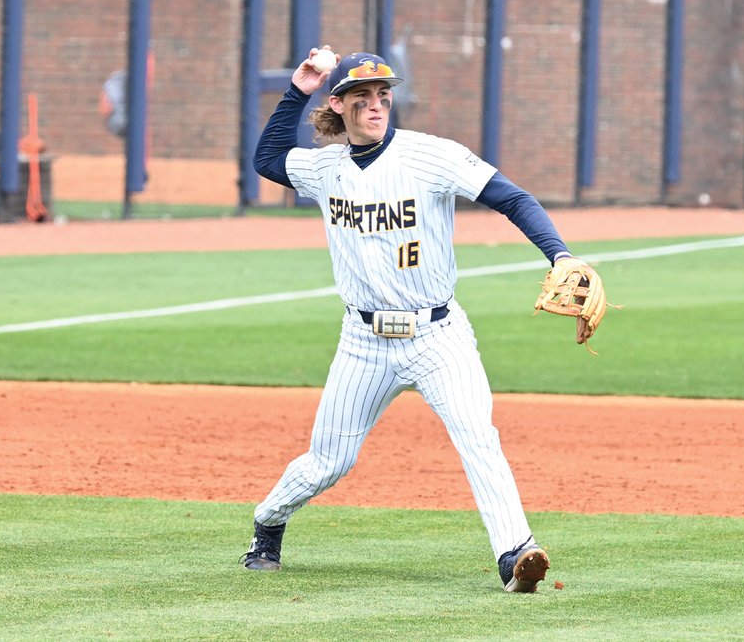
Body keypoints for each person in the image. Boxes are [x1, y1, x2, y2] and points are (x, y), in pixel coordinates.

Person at [242, 47, 595, 593]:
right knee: (328, 462)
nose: (377, 104)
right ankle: (269, 523)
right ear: (338, 104)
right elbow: (267, 160)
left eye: (384, 94)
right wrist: (299, 87)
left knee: (478, 435)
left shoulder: (433, 156)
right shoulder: (324, 168)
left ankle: (515, 552)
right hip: (363, 342)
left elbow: (514, 199)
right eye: (362, 96)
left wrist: (562, 255)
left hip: (438, 335)